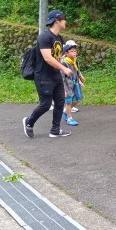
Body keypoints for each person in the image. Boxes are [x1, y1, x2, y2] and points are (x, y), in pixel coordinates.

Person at [23, 9, 73, 138]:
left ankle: (55, 130)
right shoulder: (45, 37)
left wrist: (61, 74)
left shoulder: (59, 38)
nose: (65, 21)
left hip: (55, 75)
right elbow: (48, 58)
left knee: (60, 102)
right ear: (57, 20)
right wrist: (64, 69)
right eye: (64, 18)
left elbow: (57, 58)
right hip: (43, 76)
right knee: (45, 105)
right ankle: (29, 122)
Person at [60, 40, 85, 126]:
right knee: (69, 102)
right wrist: (64, 90)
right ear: (66, 53)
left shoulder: (74, 61)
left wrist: (80, 80)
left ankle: (65, 111)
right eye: (72, 51)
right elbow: (62, 78)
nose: (74, 53)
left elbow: (77, 71)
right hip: (67, 86)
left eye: (75, 51)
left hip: (74, 84)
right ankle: (69, 118)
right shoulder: (64, 63)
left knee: (76, 100)